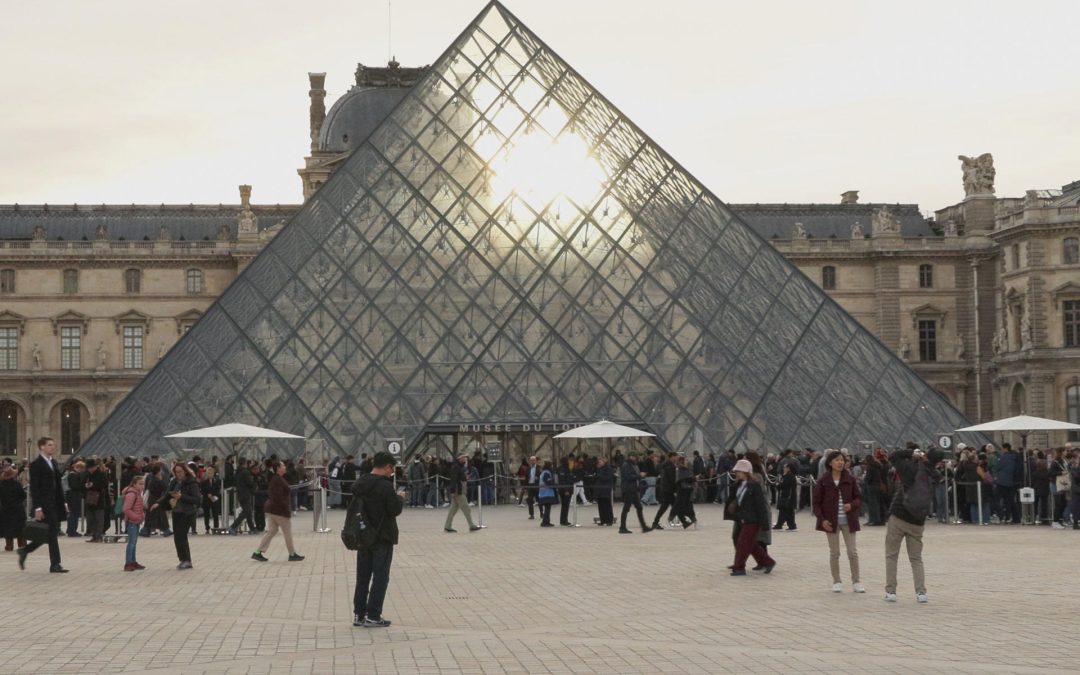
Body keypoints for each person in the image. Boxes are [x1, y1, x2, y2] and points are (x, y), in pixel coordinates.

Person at [351, 451, 406, 628]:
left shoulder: (360, 483)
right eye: (392, 469)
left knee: (362, 576)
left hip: (363, 535)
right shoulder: (384, 486)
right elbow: (394, 510)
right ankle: (373, 615)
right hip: (382, 536)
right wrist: (400, 498)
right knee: (380, 576)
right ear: (388, 466)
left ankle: (359, 614)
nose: (392, 473)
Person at [884, 445, 944, 603]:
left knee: (891, 556)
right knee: (916, 559)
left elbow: (893, 456)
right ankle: (921, 592)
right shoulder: (935, 475)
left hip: (899, 515)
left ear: (925, 455)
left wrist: (912, 453)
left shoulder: (910, 468)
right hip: (918, 520)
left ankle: (891, 592)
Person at [812, 450, 864, 593]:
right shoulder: (823, 481)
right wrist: (822, 520)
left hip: (848, 521)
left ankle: (856, 581)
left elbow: (858, 498)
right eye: (837, 460)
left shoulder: (850, 479)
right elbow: (816, 503)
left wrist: (851, 505)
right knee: (835, 553)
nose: (840, 462)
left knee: (852, 552)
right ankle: (836, 580)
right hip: (831, 522)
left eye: (842, 460)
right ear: (830, 463)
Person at [18, 437, 69, 573]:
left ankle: (25, 550)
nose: (53, 447)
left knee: (50, 533)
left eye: (53, 444)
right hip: (45, 505)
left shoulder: (53, 462)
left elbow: (58, 485)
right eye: (50, 445)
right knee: (52, 533)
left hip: (55, 503)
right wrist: (38, 508)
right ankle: (55, 564)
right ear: (42, 447)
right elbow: (35, 487)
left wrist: (63, 502)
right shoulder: (36, 464)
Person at [727, 459, 776, 576]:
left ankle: (739, 567)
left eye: (739, 471)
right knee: (751, 544)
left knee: (743, 543)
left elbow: (761, 505)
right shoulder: (738, 485)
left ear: (746, 472)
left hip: (753, 519)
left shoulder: (755, 486)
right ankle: (768, 561)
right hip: (742, 518)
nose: (737, 473)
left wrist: (765, 523)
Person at [251, 460, 304, 562]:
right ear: (278, 468)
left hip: (272, 509)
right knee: (287, 532)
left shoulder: (277, 478)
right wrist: (286, 510)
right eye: (283, 466)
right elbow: (278, 497)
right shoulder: (277, 480)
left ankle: (258, 552)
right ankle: (292, 554)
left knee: (272, 531)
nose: (285, 467)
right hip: (279, 510)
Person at [151, 462, 201, 570]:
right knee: (177, 536)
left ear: (185, 471)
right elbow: (167, 495)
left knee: (182, 536)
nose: (178, 474)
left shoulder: (191, 482)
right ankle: (182, 559)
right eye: (176, 472)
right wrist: (158, 503)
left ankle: (187, 560)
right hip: (176, 511)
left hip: (187, 512)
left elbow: (197, 499)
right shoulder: (174, 482)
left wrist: (181, 496)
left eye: (180, 471)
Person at [443, 455, 481, 533]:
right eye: (463, 458)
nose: (465, 459)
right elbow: (453, 480)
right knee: (466, 508)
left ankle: (448, 526)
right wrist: (453, 491)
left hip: (458, 491)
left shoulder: (458, 467)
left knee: (452, 510)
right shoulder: (456, 468)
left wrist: (465, 478)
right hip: (458, 491)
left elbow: (459, 478)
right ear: (459, 459)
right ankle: (471, 525)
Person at [618, 453, 652, 534]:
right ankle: (622, 527)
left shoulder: (634, 465)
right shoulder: (626, 465)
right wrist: (639, 475)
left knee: (639, 507)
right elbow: (628, 477)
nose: (636, 458)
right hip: (628, 489)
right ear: (630, 456)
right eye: (634, 456)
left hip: (634, 489)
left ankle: (644, 526)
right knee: (626, 508)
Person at [121, 475, 147, 571]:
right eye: (140, 484)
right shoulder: (131, 494)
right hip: (132, 521)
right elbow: (126, 509)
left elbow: (139, 506)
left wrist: (142, 515)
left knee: (134, 542)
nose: (142, 486)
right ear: (134, 484)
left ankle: (133, 561)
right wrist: (135, 517)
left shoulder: (137, 493)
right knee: (131, 542)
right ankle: (128, 563)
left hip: (136, 521)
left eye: (143, 484)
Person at [83, 458, 110, 543]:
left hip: (99, 499)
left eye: (91, 468)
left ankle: (98, 536)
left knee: (99, 519)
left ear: (95, 467)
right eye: (88, 468)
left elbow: (105, 484)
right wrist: (85, 486)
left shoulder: (101, 474)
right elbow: (81, 483)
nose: (90, 469)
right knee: (90, 519)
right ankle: (94, 535)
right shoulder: (87, 474)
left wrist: (93, 485)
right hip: (89, 499)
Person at [1, 466, 27, 551]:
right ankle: (22, 545)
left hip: (6, 509)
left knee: (8, 528)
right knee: (20, 527)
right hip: (18, 508)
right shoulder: (17, 484)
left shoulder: (1, 486)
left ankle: (9, 546)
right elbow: (23, 496)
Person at [228, 460, 255, 535]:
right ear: (245, 464)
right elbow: (249, 483)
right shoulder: (246, 472)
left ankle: (252, 528)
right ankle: (233, 527)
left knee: (248, 511)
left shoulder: (237, 472)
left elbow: (234, 481)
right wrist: (254, 487)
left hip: (240, 493)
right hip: (246, 493)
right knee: (246, 511)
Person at [651, 452, 677, 530]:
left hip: (665, 489)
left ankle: (656, 522)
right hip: (668, 489)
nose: (676, 459)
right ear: (671, 457)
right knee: (672, 506)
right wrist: (676, 489)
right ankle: (679, 520)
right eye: (675, 457)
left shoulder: (664, 465)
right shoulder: (670, 466)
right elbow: (672, 479)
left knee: (669, 506)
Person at [64, 460, 85, 537]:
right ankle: (72, 531)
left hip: (71, 496)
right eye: (82, 469)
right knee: (74, 514)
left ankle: (70, 530)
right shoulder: (74, 476)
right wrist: (82, 486)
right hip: (74, 496)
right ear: (79, 468)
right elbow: (74, 486)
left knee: (72, 514)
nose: (82, 471)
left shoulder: (71, 474)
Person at [773, 462, 797, 530]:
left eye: (785, 467)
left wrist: (778, 485)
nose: (783, 469)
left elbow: (785, 485)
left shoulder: (790, 476)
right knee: (785, 511)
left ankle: (788, 525)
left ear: (788, 468)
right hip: (785, 496)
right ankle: (784, 524)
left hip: (788, 496)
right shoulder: (786, 476)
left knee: (787, 511)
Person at [199, 466, 222, 533]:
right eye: (208, 473)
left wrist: (213, 495)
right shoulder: (203, 482)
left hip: (214, 499)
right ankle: (207, 528)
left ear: (213, 473)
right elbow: (202, 491)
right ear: (206, 473)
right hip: (206, 500)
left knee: (215, 514)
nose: (210, 474)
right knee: (206, 515)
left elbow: (218, 490)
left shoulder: (216, 481)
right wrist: (207, 494)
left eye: (211, 473)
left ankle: (216, 528)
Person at [593, 456, 615, 526]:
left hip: (605, 489)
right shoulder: (599, 469)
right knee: (601, 505)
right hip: (599, 489)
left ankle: (609, 520)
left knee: (607, 505)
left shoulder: (608, 469)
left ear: (605, 461)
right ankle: (603, 520)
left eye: (601, 461)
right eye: (599, 462)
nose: (599, 463)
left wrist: (599, 475)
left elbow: (607, 478)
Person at [537, 460, 557, 527]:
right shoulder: (547, 472)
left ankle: (547, 521)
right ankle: (545, 522)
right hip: (547, 493)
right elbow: (548, 482)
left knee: (547, 508)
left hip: (543, 492)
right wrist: (554, 483)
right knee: (547, 509)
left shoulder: (543, 472)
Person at [524, 456, 539, 520]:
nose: (532, 461)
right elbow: (526, 478)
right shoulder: (528, 468)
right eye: (531, 460)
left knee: (539, 500)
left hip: (536, 485)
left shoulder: (539, 468)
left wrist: (538, 478)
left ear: (536, 461)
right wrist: (525, 486)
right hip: (530, 485)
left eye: (533, 460)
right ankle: (531, 514)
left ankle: (541, 512)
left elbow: (541, 475)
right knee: (530, 500)